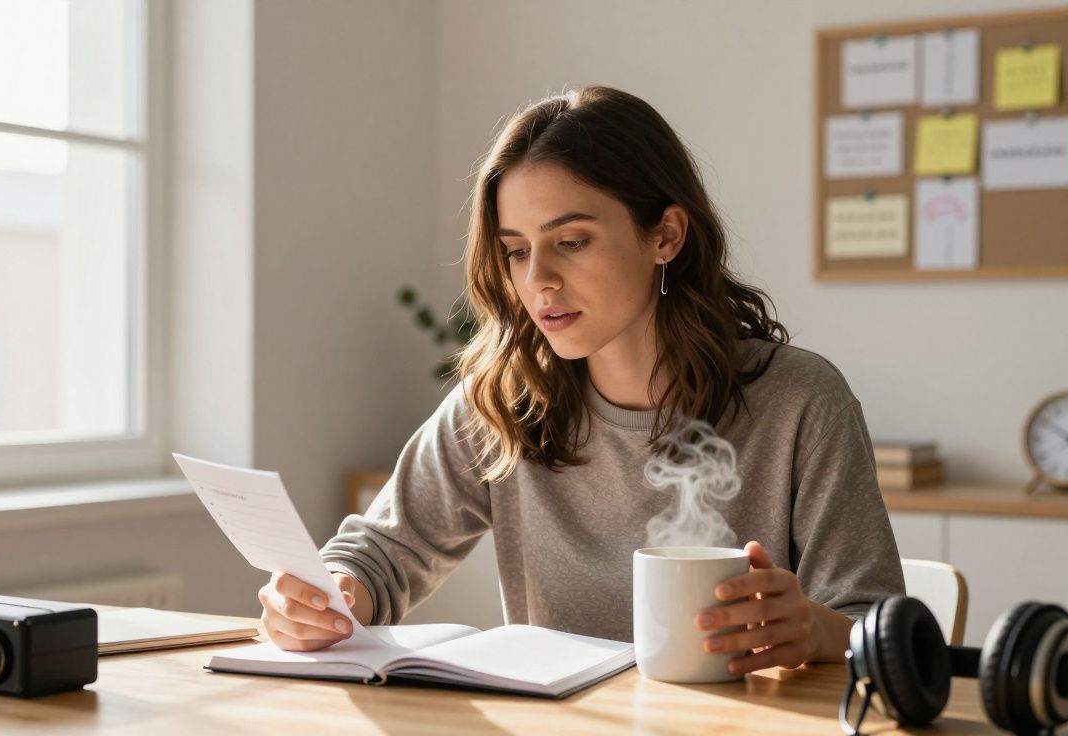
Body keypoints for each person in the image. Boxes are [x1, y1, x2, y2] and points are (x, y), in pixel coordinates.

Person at [258, 86, 904, 676]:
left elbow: (879, 629)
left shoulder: (801, 402)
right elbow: (378, 553)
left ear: (666, 235)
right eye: (517, 250)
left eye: (570, 241)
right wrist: (330, 597)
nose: (537, 279)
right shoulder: (505, 400)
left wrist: (815, 629)